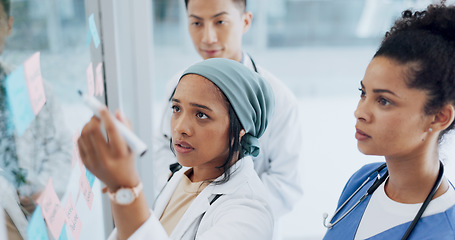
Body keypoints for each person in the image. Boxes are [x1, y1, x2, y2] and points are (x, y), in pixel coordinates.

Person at [78, 58, 275, 239]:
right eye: (176, 109)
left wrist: (125, 187)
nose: (180, 127)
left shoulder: (249, 212)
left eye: (201, 115)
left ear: (241, 129)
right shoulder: (185, 174)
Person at [153, 0, 303, 231]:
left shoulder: (279, 98)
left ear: (245, 21)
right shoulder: (177, 83)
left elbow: (284, 183)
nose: (208, 37)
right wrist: (186, 192)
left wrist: (223, 208)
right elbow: (164, 146)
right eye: (196, 23)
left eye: (220, 21)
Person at [323, 2, 455, 239]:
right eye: (363, 93)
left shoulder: (446, 231)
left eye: (383, 101)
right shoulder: (362, 181)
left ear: (439, 117)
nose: (360, 112)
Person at [0, 0, 72, 239]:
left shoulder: (34, 89)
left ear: (9, 26)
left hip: (33, 224)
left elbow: (61, 149)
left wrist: (41, 191)